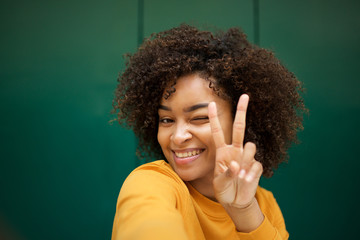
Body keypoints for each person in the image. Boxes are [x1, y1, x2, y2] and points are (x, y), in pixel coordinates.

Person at [111, 24, 306, 239]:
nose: (178, 136)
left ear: (243, 120)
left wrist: (244, 211)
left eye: (200, 118)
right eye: (167, 120)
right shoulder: (150, 183)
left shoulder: (264, 205)